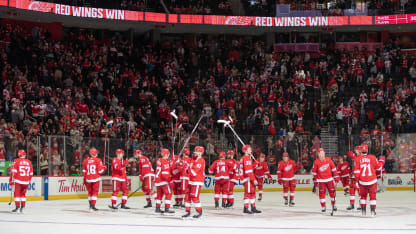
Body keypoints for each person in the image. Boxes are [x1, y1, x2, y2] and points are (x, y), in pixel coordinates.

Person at [353, 144, 384, 216]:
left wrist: (356, 180)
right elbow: (379, 168)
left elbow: (356, 172)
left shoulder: (358, 159)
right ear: (367, 150)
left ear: (361, 151)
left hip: (362, 182)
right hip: (372, 181)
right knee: (372, 196)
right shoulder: (372, 157)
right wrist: (381, 161)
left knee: (363, 196)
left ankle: (363, 211)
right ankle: (373, 211)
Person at [312, 148, 340, 212]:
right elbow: (314, 172)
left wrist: (336, 177)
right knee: (322, 194)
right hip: (321, 181)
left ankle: (333, 204)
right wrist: (316, 180)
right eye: (320, 153)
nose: (322, 154)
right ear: (318, 154)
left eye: (323, 153)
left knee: (332, 193)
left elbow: (334, 169)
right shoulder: (316, 162)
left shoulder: (328, 160)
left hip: (329, 180)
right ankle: (323, 206)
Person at [183, 146, 205, 218]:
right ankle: (187, 211)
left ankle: (199, 211)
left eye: (196, 151)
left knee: (194, 197)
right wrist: (180, 163)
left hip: (197, 181)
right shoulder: (193, 159)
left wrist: (186, 169)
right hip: (191, 181)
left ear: (200, 153)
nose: (194, 152)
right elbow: (187, 166)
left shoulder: (201, 161)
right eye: (195, 150)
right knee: (187, 196)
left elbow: (193, 172)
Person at [240, 145, 261, 214]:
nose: (251, 150)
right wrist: (253, 179)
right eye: (249, 149)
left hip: (247, 177)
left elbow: (250, 168)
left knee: (252, 192)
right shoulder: (246, 158)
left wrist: (255, 165)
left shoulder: (246, 158)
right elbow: (248, 171)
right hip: (247, 178)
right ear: (246, 151)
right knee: (248, 193)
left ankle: (253, 207)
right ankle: (246, 208)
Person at [155, 148, 174, 214]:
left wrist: (170, 164)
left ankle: (157, 208)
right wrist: (170, 181)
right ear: (166, 154)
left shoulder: (159, 160)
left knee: (159, 195)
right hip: (163, 181)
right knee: (168, 194)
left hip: (157, 181)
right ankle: (167, 208)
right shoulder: (165, 161)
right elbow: (165, 174)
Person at [347, 146, 362, 210]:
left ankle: (361, 205)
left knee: (359, 191)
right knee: (352, 190)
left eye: (356, 150)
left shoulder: (361, 157)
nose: (355, 150)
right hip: (354, 177)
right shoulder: (357, 157)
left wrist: (352, 155)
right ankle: (352, 204)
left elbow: (357, 160)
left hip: (359, 177)